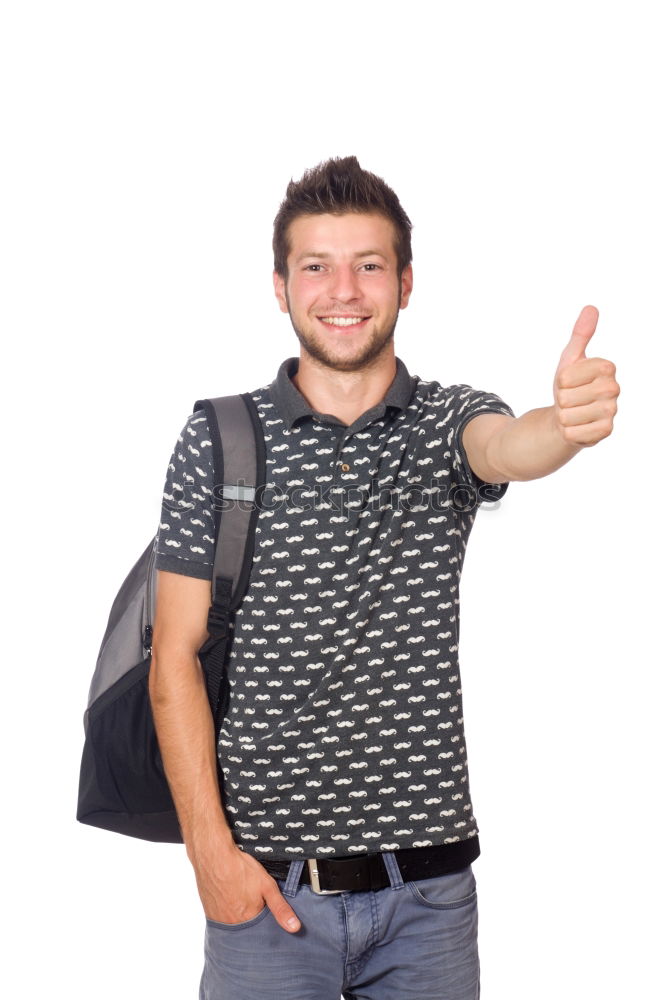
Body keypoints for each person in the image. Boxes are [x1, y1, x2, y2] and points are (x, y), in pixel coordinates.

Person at [148, 156, 620, 1000]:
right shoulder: (219, 437)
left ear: (406, 283)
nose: (343, 290)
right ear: (280, 285)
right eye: (316, 266)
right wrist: (210, 859)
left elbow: (507, 445)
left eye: (369, 266)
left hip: (429, 901)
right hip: (266, 895)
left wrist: (567, 427)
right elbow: (172, 660)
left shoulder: (444, 420)